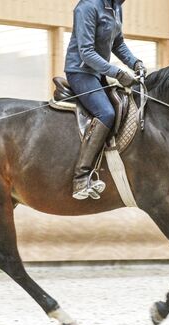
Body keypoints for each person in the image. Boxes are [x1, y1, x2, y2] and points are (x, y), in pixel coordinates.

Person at [65, 0, 147, 200]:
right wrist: (118, 73)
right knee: (106, 112)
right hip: (80, 71)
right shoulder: (86, 7)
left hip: (98, 74)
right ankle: (81, 178)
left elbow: (117, 43)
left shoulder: (116, 7)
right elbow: (86, 52)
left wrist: (135, 63)